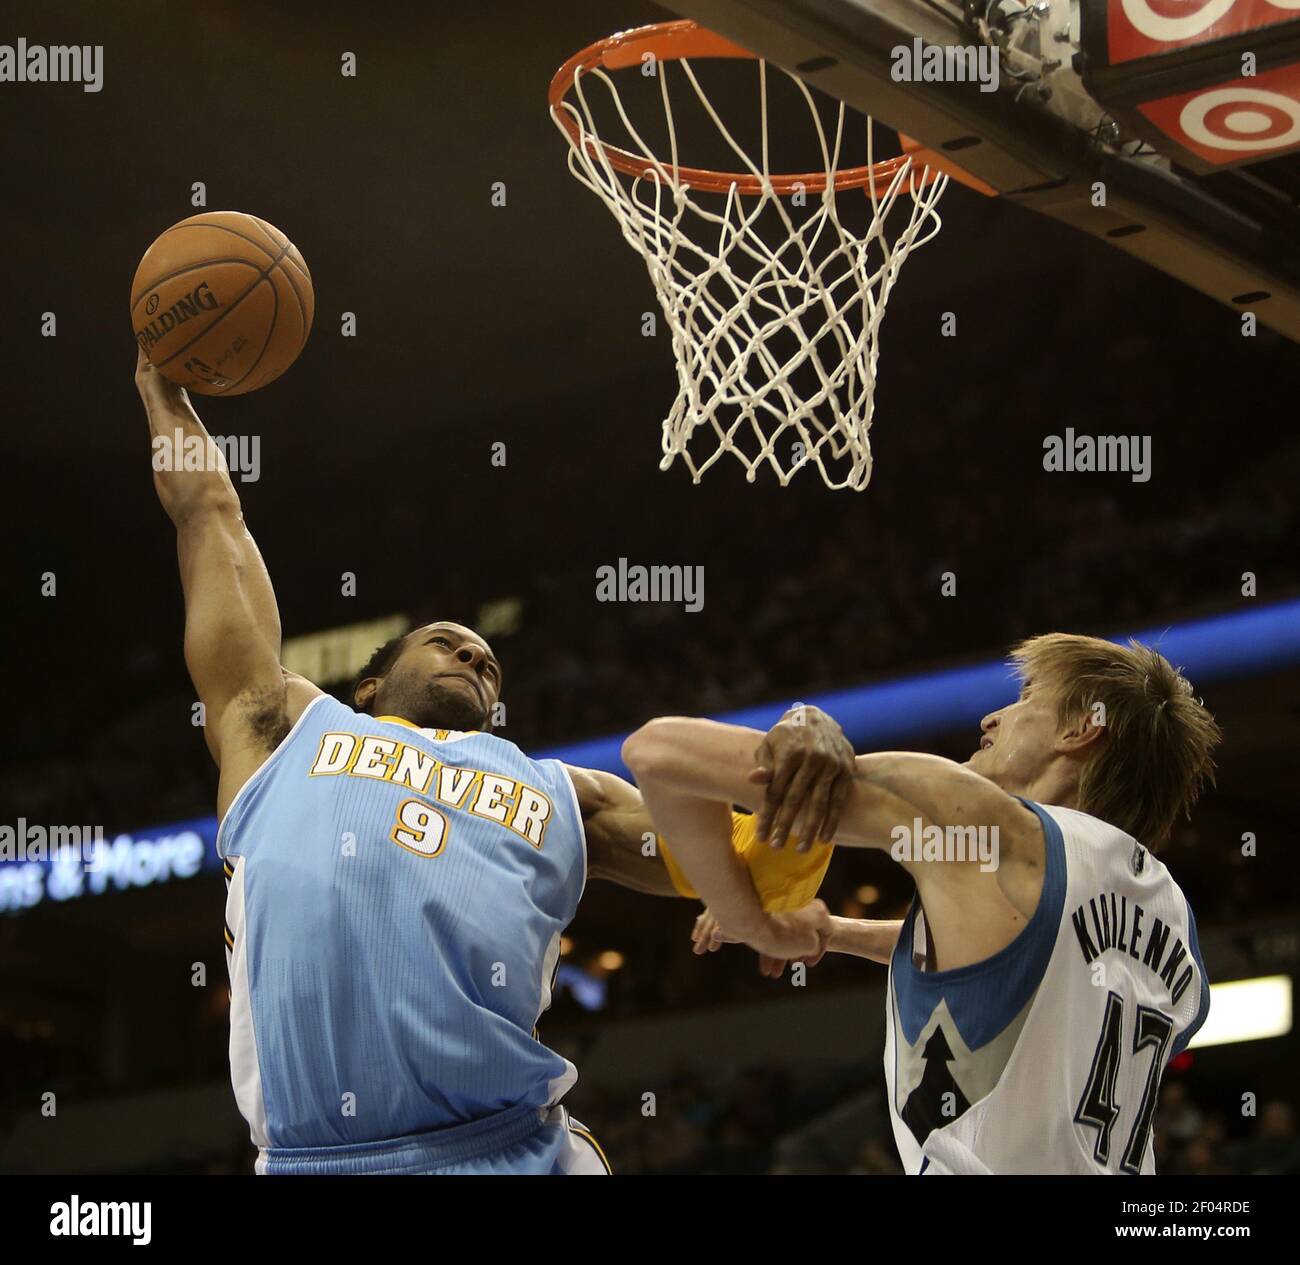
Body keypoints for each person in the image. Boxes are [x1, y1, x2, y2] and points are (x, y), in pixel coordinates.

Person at [134, 349, 848, 1174]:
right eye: (446, 643)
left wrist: (804, 749)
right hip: (318, 1159)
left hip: (510, 1148)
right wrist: (162, 389)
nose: (474, 657)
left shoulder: (560, 792)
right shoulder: (281, 727)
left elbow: (753, 871)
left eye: (488, 663)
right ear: (369, 686)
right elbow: (211, 517)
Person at [624, 634, 1220, 1173]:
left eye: (1027, 696)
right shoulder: (1172, 924)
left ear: (1080, 730)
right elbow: (1020, 955)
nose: (993, 717)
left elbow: (658, 751)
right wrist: (835, 931)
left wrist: (750, 919)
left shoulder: (986, 825)